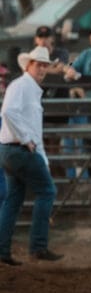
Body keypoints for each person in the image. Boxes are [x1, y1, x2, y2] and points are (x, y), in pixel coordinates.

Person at [0, 47, 62, 265]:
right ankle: (38, 246)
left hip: (11, 151)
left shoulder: (26, 87)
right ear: (29, 65)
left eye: (45, 65)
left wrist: (40, 155)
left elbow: (31, 129)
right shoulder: (22, 86)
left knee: (13, 199)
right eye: (39, 64)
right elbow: (7, 112)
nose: (43, 68)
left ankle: (3, 251)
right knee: (47, 191)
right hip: (19, 149)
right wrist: (26, 138)